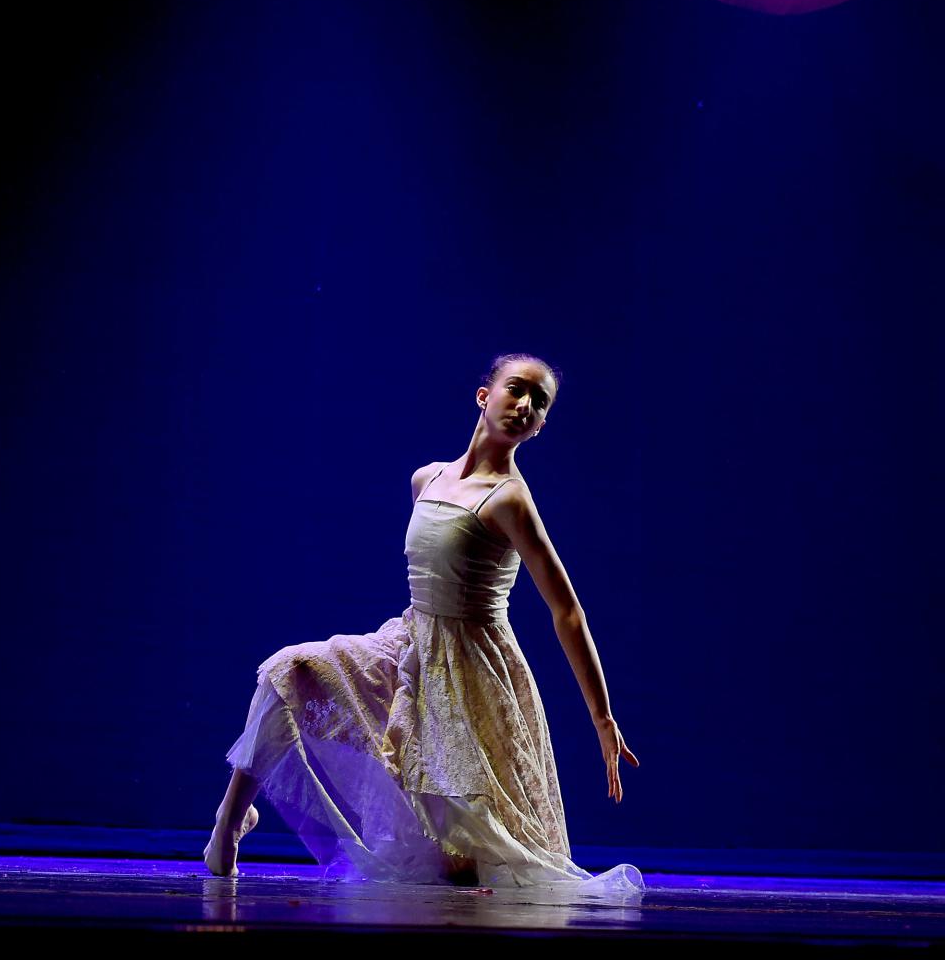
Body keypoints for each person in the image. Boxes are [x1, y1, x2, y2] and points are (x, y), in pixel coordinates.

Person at [204, 353, 645, 898]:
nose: (525, 405)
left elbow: (566, 609)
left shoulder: (509, 499)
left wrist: (602, 716)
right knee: (286, 671)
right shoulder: (427, 478)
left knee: (463, 858)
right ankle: (229, 822)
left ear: (541, 425)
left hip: (473, 668)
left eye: (539, 402)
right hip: (414, 643)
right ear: (485, 396)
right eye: (517, 390)